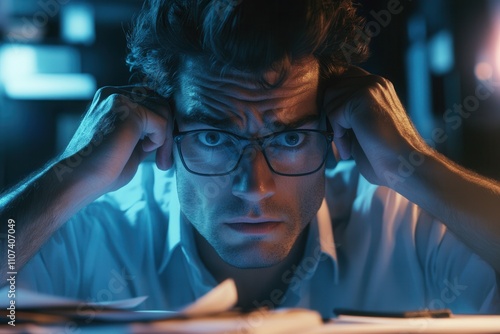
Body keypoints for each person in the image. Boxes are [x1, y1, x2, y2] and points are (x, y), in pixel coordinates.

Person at [1, 0, 499, 318]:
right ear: (165, 137)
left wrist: (413, 162)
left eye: (288, 139)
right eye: (215, 139)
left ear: (333, 137)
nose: (254, 187)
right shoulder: (97, 231)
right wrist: (73, 172)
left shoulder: (399, 223)